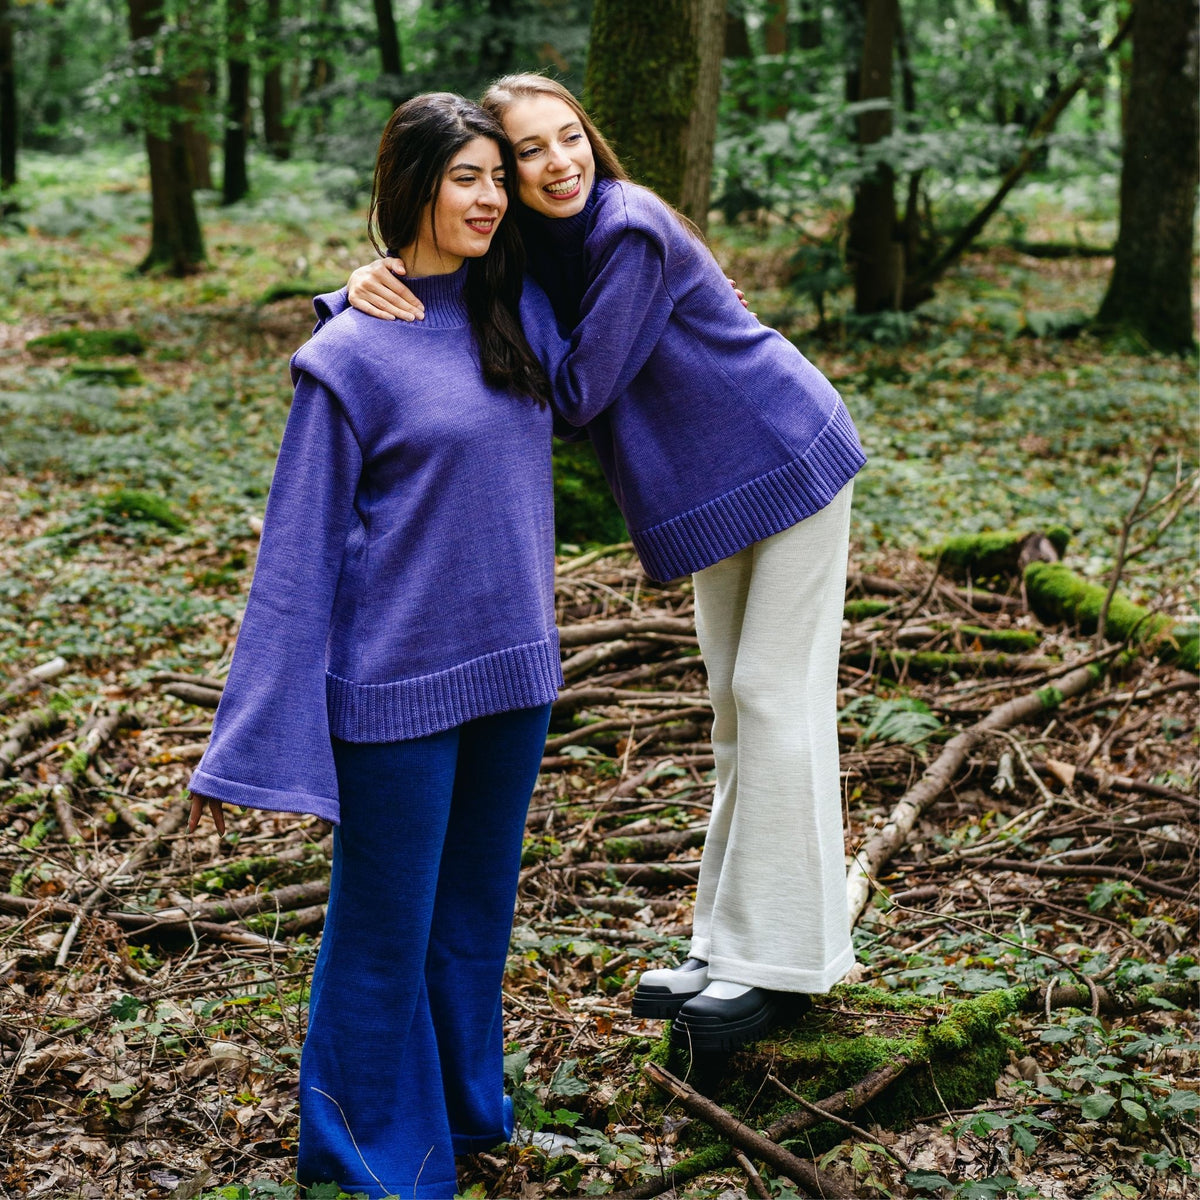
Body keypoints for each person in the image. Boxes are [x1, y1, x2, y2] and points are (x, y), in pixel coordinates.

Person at [337, 75, 867, 1054]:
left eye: (570, 136)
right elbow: (475, 289)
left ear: (594, 138)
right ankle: (726, 942)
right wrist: (370, 284)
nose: (558, 162)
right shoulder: (547, 246)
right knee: (733, 706)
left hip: (788, 456)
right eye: (528, 152)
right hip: (723, 492)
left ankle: (784, 962)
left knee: (773, 697)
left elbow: (576, 390)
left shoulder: (629, 230)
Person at [187, 93, 569, 1198]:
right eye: (466, 178)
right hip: (395, 691)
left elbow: (609, 229)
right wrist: (248, 743)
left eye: (499, 178)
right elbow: (296, 562)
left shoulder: (524, 313)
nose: (492, 196)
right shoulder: (346, 356)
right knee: (383, 930)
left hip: (513, 674)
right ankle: (362, 1154)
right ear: (411, 189)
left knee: (473, 917)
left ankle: (461, 1109)